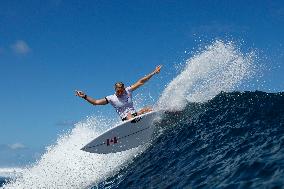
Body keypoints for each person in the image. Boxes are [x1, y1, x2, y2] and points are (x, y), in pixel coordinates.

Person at [75, 65, 162, 121]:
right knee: (129, 115)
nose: (120, 92)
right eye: (118, 90)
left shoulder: (128, 90)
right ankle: (136, 120)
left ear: (124, 89)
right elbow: (96, 102)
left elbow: (141, 81)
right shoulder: (111, 98)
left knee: (148, 108)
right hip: (126, 118)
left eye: (121, 90)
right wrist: (84, 96)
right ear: (115, 89)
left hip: (135, 115)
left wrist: (154, 72)